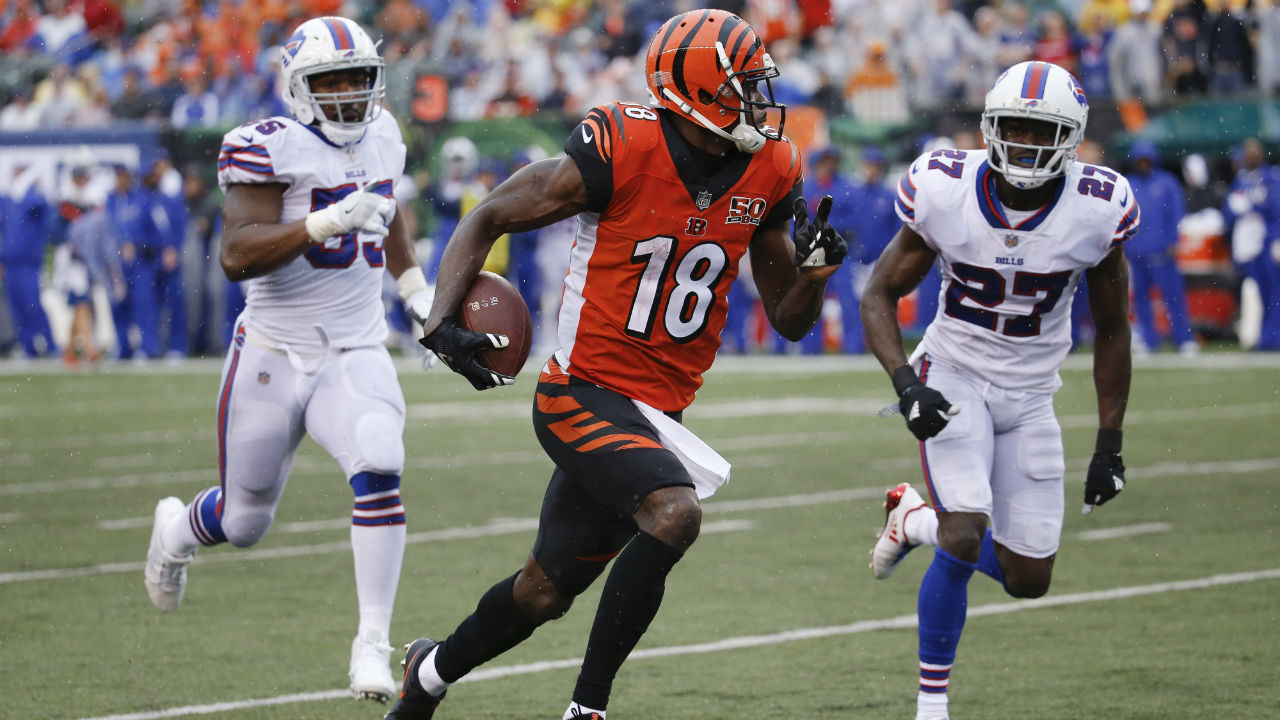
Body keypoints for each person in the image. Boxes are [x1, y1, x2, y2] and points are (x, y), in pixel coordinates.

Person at [386, 9, 847, 720]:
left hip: (659, 415)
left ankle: (428, 675)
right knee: (674, 512)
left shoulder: (770, 166)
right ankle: (588, 710)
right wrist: (440, 320)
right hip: (581, 391)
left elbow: (789, 319)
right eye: (745, 84)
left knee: (543, 591)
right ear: (700, 90)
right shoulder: (622, 146)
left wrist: (813, 278)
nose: (761, 100)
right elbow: (489, 216)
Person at [142, 16, 432, 703]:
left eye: (359, 78)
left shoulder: (385, 134)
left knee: (379, 461)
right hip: (273, 350)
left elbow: (386, 215)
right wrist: (322, 222)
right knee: (244, 522)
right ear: (300, 87)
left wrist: (416, 292)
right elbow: (236, 254)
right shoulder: (267, 146)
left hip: (354, 347)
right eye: (332, 81)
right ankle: (177, 531)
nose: (349, 93)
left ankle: (372, 641)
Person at [861, 61, 1135, 720]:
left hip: (1032, 392)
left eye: (1042, 131)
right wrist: (906, 385)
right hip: (953, 373)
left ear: (1072, 138)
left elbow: (1113, 327)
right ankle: (931, 705)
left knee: (1028, 578)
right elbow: (879, 293)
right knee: (964, 533)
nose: (1025, 142)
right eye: (1014, 126)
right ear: (989, 125)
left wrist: (1110, 443)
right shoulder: (945, 188)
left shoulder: (1097, 208)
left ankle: (913, 520)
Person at [1125, 140, 1197, 355]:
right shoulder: (1128, 183)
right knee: (1141, 300)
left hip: (1162, 252)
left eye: (1146, 159)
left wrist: (1173, 240)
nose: (1143, 163)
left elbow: (1176, 212)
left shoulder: (1166, 182)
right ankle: (1149, 341)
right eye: (1140, 159)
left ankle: (1184, 339)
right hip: (1136, 251)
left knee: (1173, 297)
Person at [1222, 138, 1280, 350]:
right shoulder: (1242, 180)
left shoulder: (1271, 177)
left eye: (1254, 152)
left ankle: (1272, 338)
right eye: (1248, 153)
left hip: (1267, 243)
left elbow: (1274, 209)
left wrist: (1253, 206)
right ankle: (1261, 337)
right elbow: (1229, 212)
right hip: (1249, 247)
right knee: (1257, 292)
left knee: (1273, 292)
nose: (1251, 157)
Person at [0, 164, 59, 359]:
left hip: (29, 261)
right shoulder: (8, 200)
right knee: (17, 308)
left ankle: (51, 347)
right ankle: (28, 348)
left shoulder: (33, 196)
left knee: (33, 304)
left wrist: (29, 187)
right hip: (10, 262)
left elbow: (40, 205)